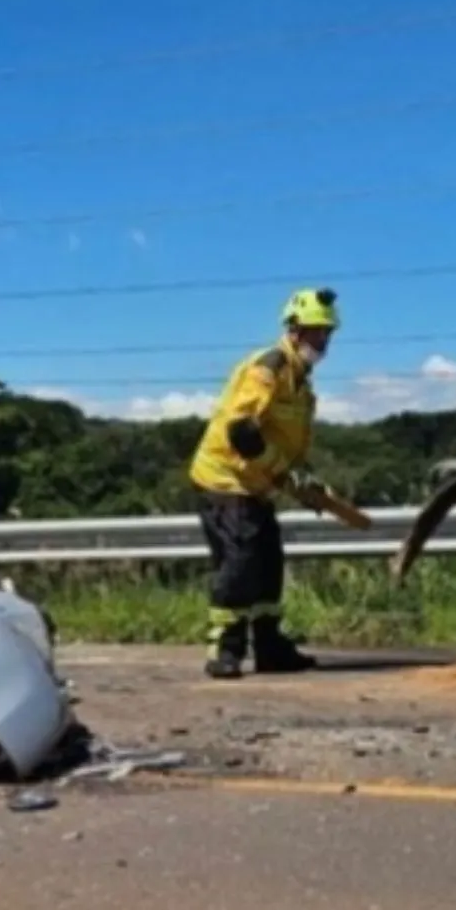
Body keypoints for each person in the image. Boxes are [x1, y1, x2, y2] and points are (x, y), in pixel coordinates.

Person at [186, 287, 339, 679]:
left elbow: (290, 445)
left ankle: (270, 646)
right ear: (292, 329)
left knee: (269, 561)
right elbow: (242, 432)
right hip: (225, 479)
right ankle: (224, 646)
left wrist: (307, 484)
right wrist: (284, 474)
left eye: (325, 332)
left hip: (256, 483)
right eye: (313, 331)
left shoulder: (302, 386)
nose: (320, 340)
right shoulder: (268, 368)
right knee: (241, 561)